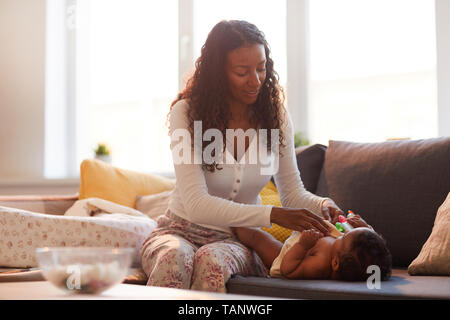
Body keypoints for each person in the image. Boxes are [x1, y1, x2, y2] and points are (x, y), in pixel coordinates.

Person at [139, 20, 344, 292]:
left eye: (261, 68)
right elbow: (198, 204)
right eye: (241, 72)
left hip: (235, 239)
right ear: (217, 73)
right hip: (178, 231)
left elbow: (292, 193)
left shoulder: (275, 117)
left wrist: (324, 205)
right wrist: (273, 215)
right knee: (175, 257)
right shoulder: (186, 114)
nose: (255, 80)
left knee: (212, 262)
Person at [232, 214, 392, 281]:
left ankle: (231, 226)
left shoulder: (320, 264)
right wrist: (364, 227)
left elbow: (289, 269)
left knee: (257, 238)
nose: (342, 233)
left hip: (285, 254)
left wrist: (303, 245)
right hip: (301, 241)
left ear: (335, 263)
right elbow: (368, 244)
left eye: (343, 236)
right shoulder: (343, 249)